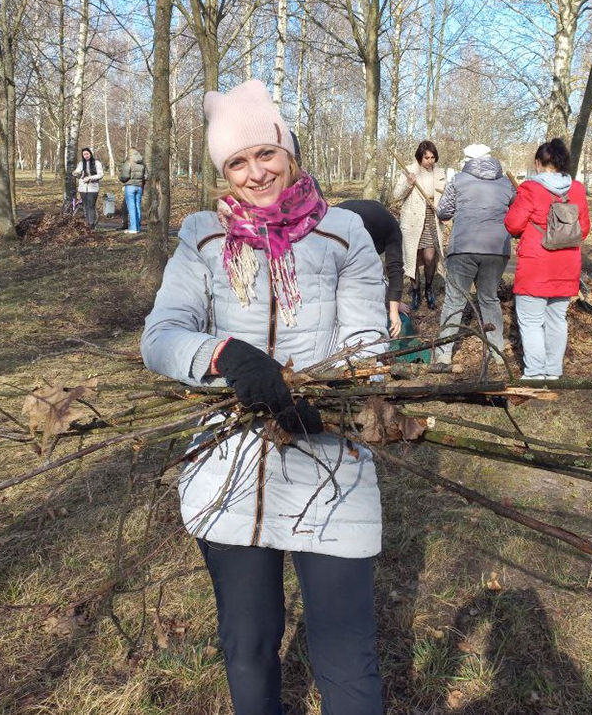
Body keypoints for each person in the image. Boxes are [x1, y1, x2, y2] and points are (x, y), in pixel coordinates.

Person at [141, 78, 387, 715]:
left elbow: (367, 345)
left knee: (347, 658)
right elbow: (162, 337)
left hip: (329, 465)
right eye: (237, 163)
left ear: (288, 150)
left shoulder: (344, 235)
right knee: (247, 649)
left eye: (265, 154)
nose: (255, 173)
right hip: (230, 470)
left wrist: (331, 401)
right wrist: (220, 355)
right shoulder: (202, 238)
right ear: (223, 173)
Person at [504, 138, 591, 380]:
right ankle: (553, 372)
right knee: (557, 318)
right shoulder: (578, 189)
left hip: (536, 265)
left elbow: (513, 223)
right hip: (567, 264)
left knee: (531, 321)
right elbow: (583, 229)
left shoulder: (530, 189)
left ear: (538, 163)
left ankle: (534, 373)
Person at [433, 143, 515, 364]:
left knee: (454, 301)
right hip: (496, 249)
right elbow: (516, 213)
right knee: (489, 298)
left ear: (467, 160)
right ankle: (496, 352)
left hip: (463, 248)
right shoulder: (507, 183)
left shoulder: (458, 180)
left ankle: (443, 355)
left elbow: (443, 212)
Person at [392, 140, 448, 310]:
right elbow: (396, 195)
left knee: (430, 257)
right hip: (413, 219)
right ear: (419, 158)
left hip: (432, 217)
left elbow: (446, 195)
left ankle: (428, 289)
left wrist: (441, 205)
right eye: (426, 158)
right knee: (413, 258)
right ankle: (416, 291)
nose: (430, 161)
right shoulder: (409, 171)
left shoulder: (440, 173)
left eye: (432, 157)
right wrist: (408, 183)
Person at [336, 199, 405, 338]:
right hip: (336, 228)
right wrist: (393, 312)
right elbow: (395, 269)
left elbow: (389, 271)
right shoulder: (391, 228)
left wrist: (394, 301)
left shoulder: (377, 219)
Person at [72, 147, 104, 228]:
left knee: (91, 206)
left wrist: (90, 178)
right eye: (84, 154)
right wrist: (76, 173)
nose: (86, 156)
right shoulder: (81, 163)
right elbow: (78, 173)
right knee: (85, 206)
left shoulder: (97, 163)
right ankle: (88, 223)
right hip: (82, 188)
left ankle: (91, 224)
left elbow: (101, 175)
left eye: (87, 154)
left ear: (90, 154)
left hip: (93, 188)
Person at [119, 148, 147, 234]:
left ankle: (133, 228)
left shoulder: (128, 163)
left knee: (131, 207)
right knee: (137, 206)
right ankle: (137, 227)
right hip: (139, 186)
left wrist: (120, 178)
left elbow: (124, 176)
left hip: (130, 186)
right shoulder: (142, 164)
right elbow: (146, 176)